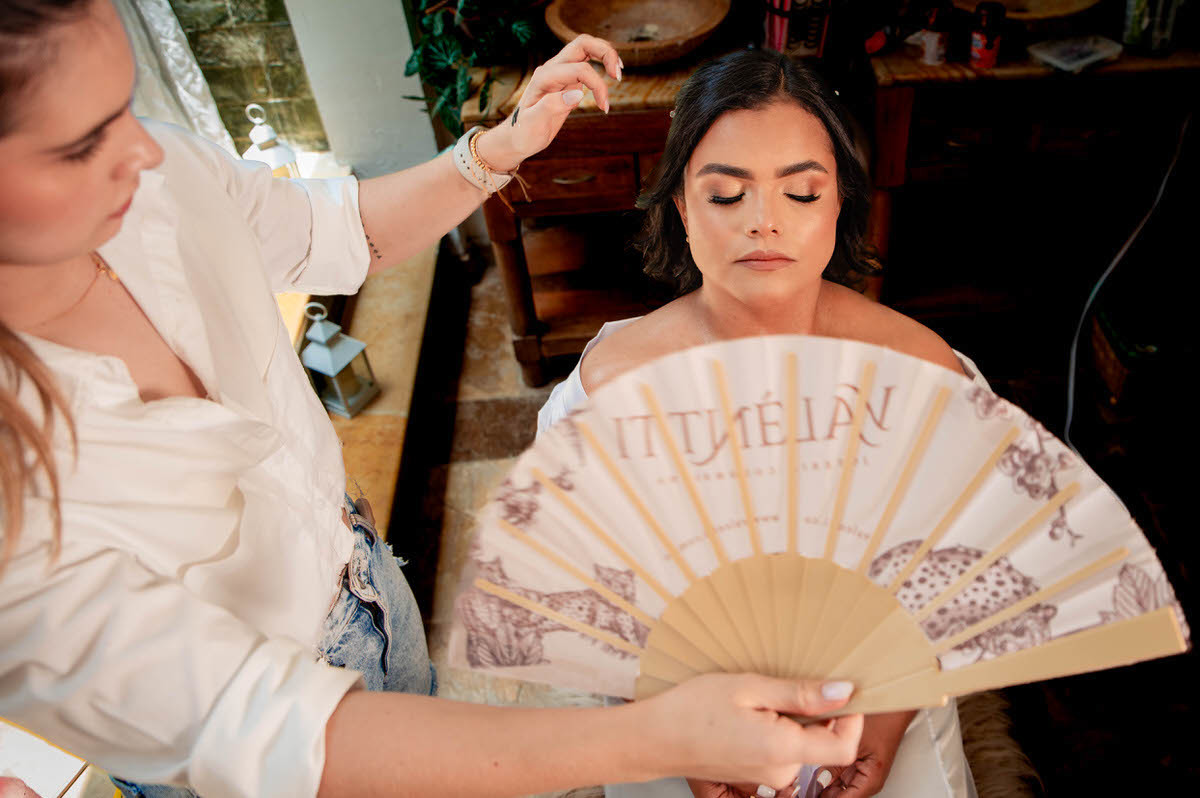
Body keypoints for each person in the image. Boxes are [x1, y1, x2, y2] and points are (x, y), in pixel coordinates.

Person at [0, 3, 867, 797]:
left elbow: (330, 232)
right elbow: (265, 730)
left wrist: (496, 149)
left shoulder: (162, 171)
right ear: (680, 203)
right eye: (82, 144)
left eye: (130, 107)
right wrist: (654, 739)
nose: (145, 152)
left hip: (365, 587)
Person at [537, 49, 986, 798]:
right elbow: (586, 610)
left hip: (877, 716)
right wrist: (679, 735)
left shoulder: (926, 376)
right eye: (725, 197)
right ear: (681, 208)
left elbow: (960, 579)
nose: (765, 223)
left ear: (840, 202)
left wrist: (884, 724)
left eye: (801, 192)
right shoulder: (606, 393)